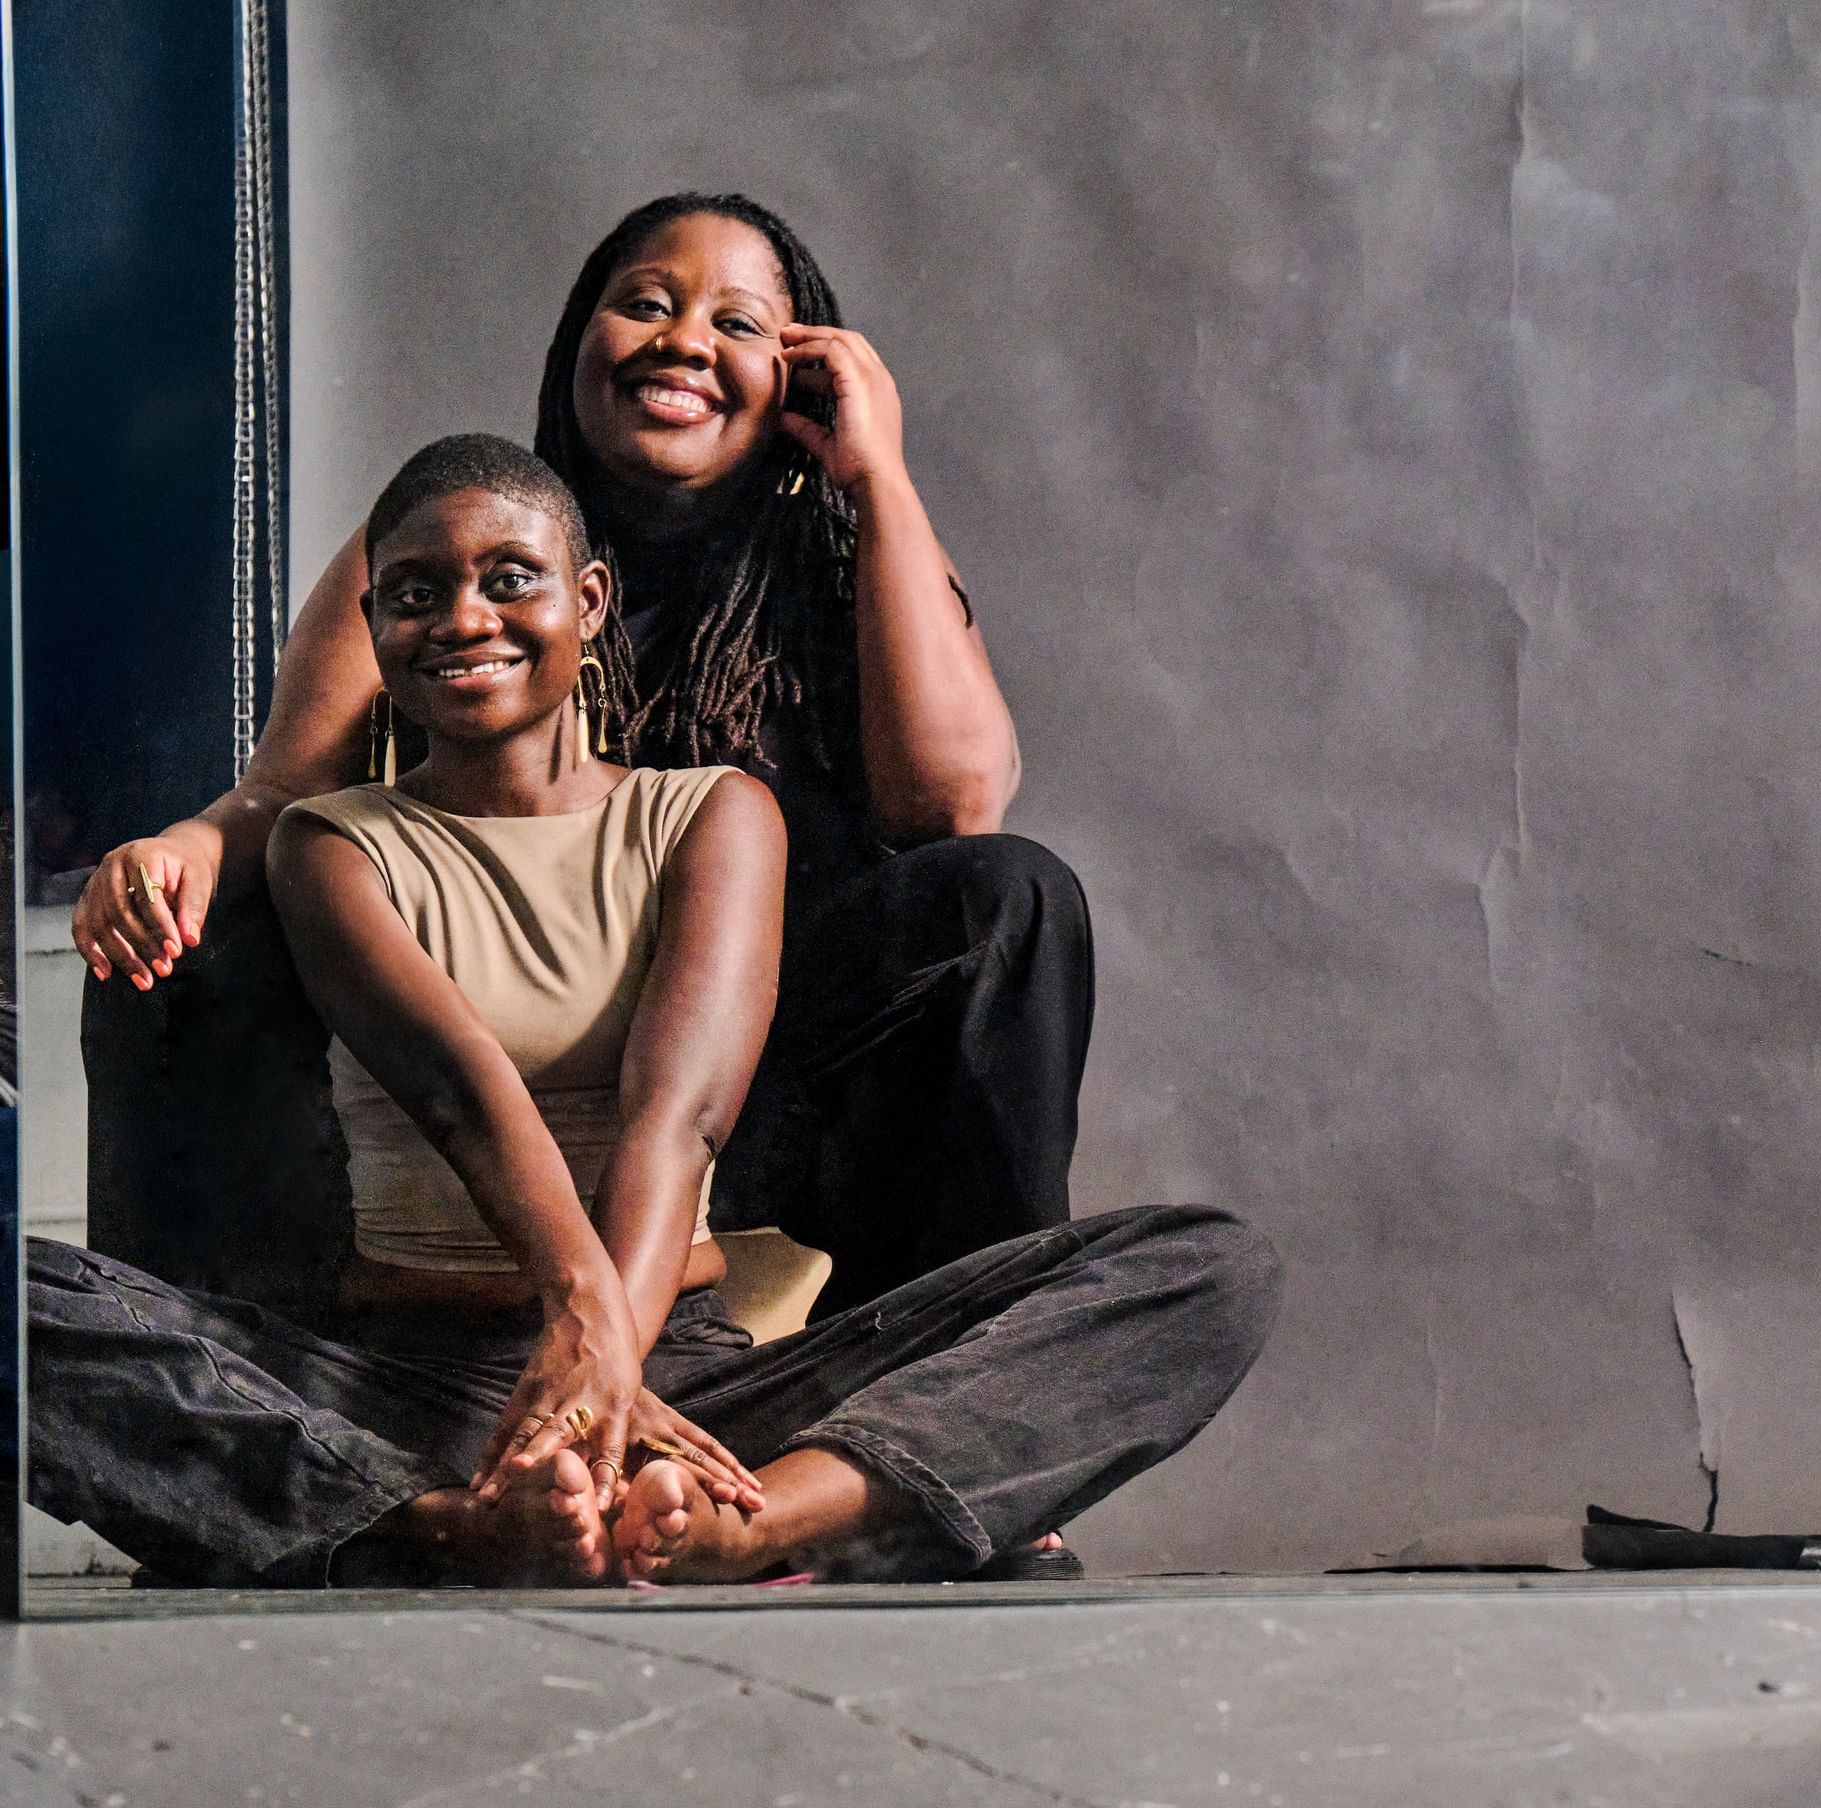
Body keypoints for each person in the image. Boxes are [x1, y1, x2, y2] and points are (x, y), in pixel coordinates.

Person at [29, 437, 1277, 1587]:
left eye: (510, 578)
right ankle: (446, 1525)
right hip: (398, 1381)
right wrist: (578, 1344)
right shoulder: (330, 844)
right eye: (414, 594)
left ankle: (748, 1521)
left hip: (689, 1376)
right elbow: (467, 1094)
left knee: (1203, 1266)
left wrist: (608, 1360)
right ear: (373, 626)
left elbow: (677, 1116)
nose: (462, 618)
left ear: (589, 603)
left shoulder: (713, 812)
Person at [73, 192, 1085, 1322]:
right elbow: (288, 787)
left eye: (738, 324)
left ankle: (939, 1407)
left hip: (745, 1088)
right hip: (462, 1056)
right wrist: (180, 850)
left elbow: (953, 805)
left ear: (799, 376)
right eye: (643, 302)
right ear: (578, 343)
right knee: (173, 946)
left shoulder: (848, 561)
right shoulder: (449, 536)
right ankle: (198, 1387)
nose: (683, 339)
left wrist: (879, 479)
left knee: (1007, 899)